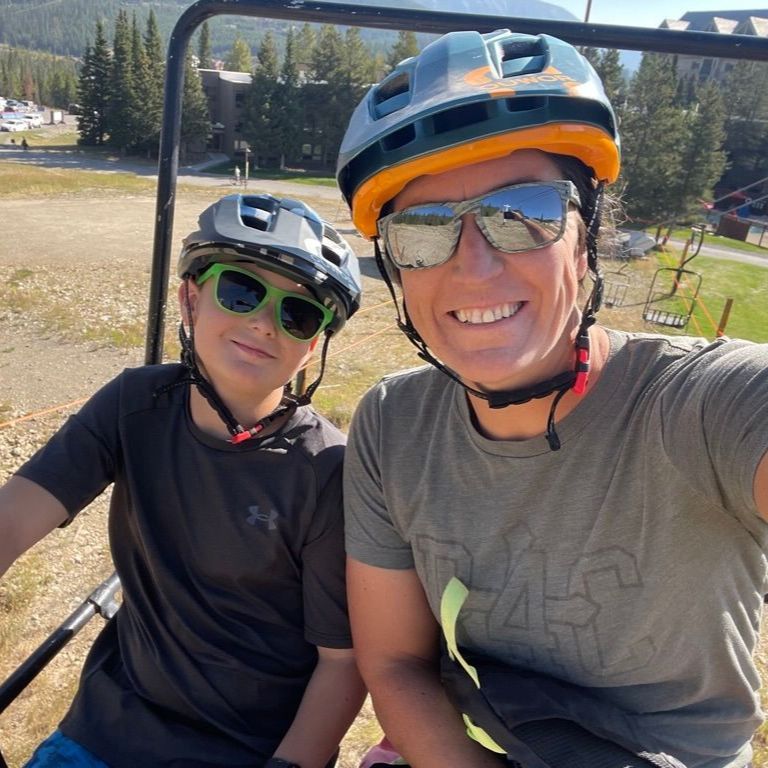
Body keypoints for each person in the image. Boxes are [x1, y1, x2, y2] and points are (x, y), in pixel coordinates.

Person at [336, 29, 768, 768]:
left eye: (523, 212)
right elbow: (396, 664)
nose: (473, 266)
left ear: (586, 233)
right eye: (423, 230)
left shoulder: (702, 408)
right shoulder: (392, 424)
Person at [0, 193, 366, 768]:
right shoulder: (133, 404)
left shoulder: (326, 470)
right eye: (241, 290)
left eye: (297, 314)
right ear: (190, 298)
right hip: (105, 729)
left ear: (312, 345)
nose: (264, 322)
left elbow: (342, 663)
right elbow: (14, 518)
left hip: (245, 752)